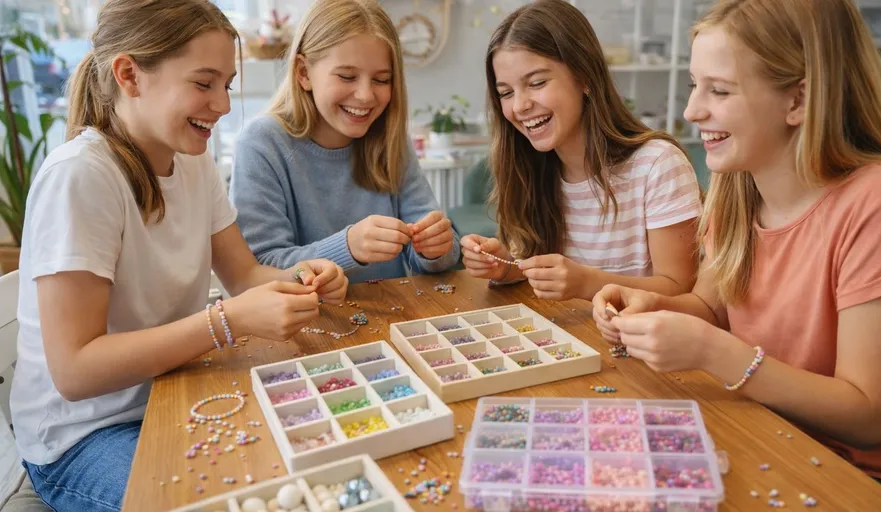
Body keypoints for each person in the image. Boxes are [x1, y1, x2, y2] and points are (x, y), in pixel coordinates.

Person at [10, 1, 348, 509]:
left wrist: (301, 276)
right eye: (203, 83)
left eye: (226, 85)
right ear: (129, 75)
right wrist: (225, 322)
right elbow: (75, 371)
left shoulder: (193, 161)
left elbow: (244, 273)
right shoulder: (80, 177)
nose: (223, 105)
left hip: (173, 392)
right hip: (83, 439)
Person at [593, 0, 881, 500]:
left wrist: (710, 351)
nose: (691, 110)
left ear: (798, 100)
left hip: (863, 476)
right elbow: (710, 309)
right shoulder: (736, 189)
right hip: (761, 429)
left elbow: (868, 418)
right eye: (697, 85)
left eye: (718, 90)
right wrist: (652, 306)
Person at [460, 0, 702, 302]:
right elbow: (544, 272)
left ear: (584, 76)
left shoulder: (659, 165)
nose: (520, 105)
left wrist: (588, 283)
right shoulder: (532, 167)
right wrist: (507, 266)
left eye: (536, 83)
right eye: (506, 93)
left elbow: (681, 289)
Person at [230, 0, 460, 284]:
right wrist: (347, 247)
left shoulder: (390, 139)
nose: (365, 95)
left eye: (382, 79)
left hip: (389, 318)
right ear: (303, 73)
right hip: (303, 322)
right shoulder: (262, 143)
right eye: (347, 76)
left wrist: (438, 249)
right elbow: (259, 268)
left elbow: (433, 258)